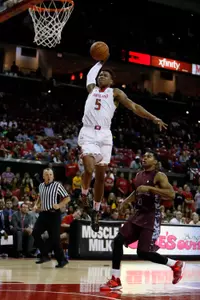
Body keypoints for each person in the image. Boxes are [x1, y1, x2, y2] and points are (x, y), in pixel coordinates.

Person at [78, 60, 167, 232]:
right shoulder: (92, 89)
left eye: (105, 75)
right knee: (89, 169)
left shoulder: (115, 93)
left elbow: (134, 107)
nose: (101, 76)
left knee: (101, 177)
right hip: (88, 133)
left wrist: (152, 117)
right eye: (101, 74)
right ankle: (83, 195)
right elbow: (90, 75)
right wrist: (99, 62)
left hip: (104, 134)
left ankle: (95, 210)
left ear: (111, 81)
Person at [100, 151, 185, 291]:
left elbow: (171, 194)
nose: (145, 158)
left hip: (151, 217)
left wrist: (151, 189)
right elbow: (138, 191)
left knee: (143, 253)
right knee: (117, 241)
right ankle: (115, 279)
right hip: (137, 215)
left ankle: (174, 264)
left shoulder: (159, 175)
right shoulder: (139, 175)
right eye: (144, 156)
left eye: (149, 156)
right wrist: (126, 202)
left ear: (155, 161)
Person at [32, 168, 70, 268]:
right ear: (43, 176)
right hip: (43, 214)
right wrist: (37, 205)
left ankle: (61, 260)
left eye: (50, 174)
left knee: (55, 239)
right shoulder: (40, 186)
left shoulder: (57, 185)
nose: (49, 176)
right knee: (35, 232)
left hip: (54, 215)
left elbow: (67, 198)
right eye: (46, 174)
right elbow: (40, 197)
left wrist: (59, 205)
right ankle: (45, 255)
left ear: (53, 176)